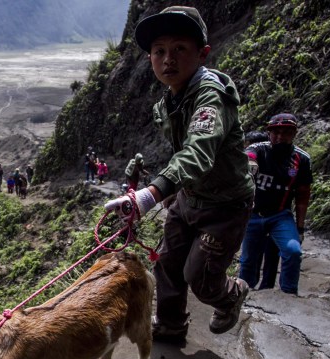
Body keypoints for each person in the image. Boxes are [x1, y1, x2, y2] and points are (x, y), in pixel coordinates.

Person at [104, 6, 254, 342]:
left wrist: (150, 194)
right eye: (159, 51)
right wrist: (169, 192)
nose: (168, 59)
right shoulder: (170, 101)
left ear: (202, 54)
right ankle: (170, 324)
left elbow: (198, 151)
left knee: (199, 276)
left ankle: (231, 294)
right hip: (189, 198)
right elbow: (181, 152)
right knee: (167, 262)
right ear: (150, 59)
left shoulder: (210, 95)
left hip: (225, 205)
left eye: (179, 49)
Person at [238, 113, 312, 295]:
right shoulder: (260, 149)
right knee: (247, 260)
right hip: (253, 214)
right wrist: (250, 162)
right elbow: (249, 154)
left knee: (292, 251)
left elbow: (303, 196)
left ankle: (288, 295)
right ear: (268, 133)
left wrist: (300, 228)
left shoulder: (301, 159)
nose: (279, 137)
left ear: (294, 133)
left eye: (285, 133)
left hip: (280, 216)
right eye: (275, 132)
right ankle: (241, 297)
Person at [244, 131, 280, 289]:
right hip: (259, 213)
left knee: (264, 252)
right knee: (258, 253)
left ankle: (258, 287)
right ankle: (258, 286)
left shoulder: (269, 160)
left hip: (268, 213)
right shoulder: (253, 159)